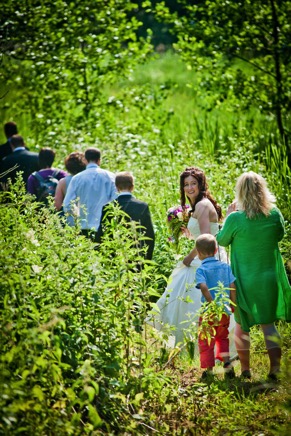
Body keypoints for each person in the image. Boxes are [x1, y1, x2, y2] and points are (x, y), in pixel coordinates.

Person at [216, 171, 291, 381]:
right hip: (268, 278)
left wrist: (229, 214)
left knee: (242, 324)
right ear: (262, 190)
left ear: (240, 191)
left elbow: (221, 241)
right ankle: (275, 369)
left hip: (244, 279)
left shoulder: (236, 218)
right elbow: (280, 235)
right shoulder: (274, 214)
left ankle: (246, 370)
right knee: (268, 324)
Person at [150, 167, 233, 347]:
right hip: (206, 253)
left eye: (193, 183)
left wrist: (188, 258)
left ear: (201, 184)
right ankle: (188, 342)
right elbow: (203, 234)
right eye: (186, 184)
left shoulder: (202, 205)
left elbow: (207, 240)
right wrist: (188, 233)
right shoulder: (199, 204)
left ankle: (193, 343)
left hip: (209, 257)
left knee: (186, 288)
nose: (189, 188)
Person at [195, 233, 236, 379]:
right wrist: (233, 305)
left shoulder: (201, 270)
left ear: (199, 253)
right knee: (222, 337)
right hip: (224, 310)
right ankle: (227, 365)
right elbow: (232, 286)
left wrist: (211, 304)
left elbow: (204, 287)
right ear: (216, 250)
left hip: (208, 312)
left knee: (206, 339)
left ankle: (209, 370)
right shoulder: (225, 267)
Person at [96, 171, 155, 261]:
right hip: (137, 253)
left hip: (115, 254)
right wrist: (148, 258)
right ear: (132, 187)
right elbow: (149, 234)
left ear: (116, 187)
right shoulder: (142, 206)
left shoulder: (108, 206)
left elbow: (102, 233)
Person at [63, 147, 116, 241]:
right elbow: (116, 201)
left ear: (85, 160)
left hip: (83, 226)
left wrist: (75, 221)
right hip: (105, 227)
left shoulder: (77, 178)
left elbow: (67, 205)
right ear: (99, 160)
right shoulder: (111, 177)